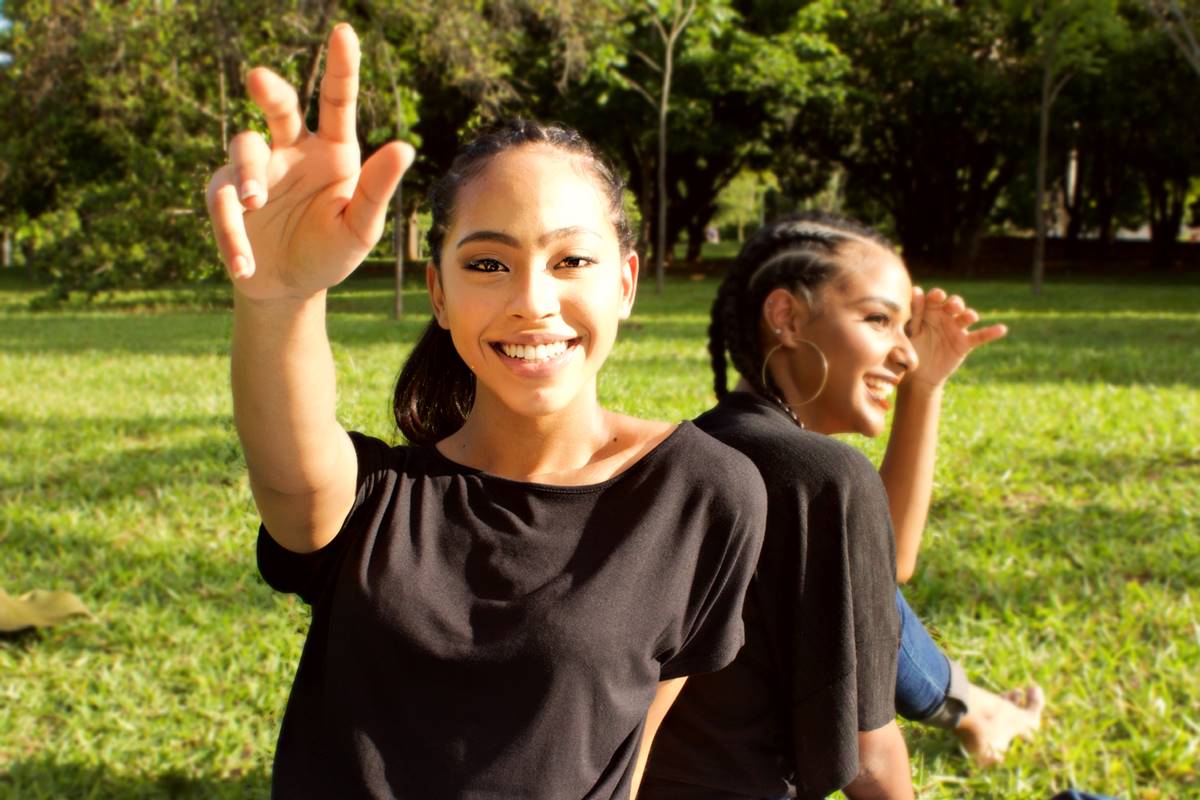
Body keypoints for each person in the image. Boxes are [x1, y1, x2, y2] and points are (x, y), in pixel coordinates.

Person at [204, 24, 766, 799]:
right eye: (488, 265)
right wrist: (280, 297)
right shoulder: (376, 501)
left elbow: (630, 743)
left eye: (572, 260)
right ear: (440, 293)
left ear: (626, 282)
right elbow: (292, 473)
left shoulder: (705, 493)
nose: (533, 302)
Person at [641, 213, 1043, 799]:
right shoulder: (823, 477)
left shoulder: (691, 448)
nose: (905, 355)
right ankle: (978, 710)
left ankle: (976, 708)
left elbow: (883, 578)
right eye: (879, 320)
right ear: (787, 318)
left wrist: (925, 389)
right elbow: (868, 759)